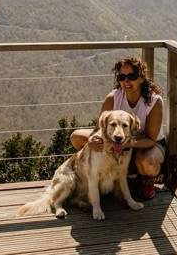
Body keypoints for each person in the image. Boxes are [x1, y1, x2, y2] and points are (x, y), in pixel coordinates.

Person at [71, 56, 166, 200]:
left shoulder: (154, 102)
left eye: (131, 76)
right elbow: (99, 129)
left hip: (146, 144)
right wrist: (93, 139)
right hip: (117, 141)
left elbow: (152, 139)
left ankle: (147, 179)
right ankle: (106, 174)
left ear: (141, 78)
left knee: (148, 163)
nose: (126, 81)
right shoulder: (113, 98)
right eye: (122, 77)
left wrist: (128, 143)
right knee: (76, 137)